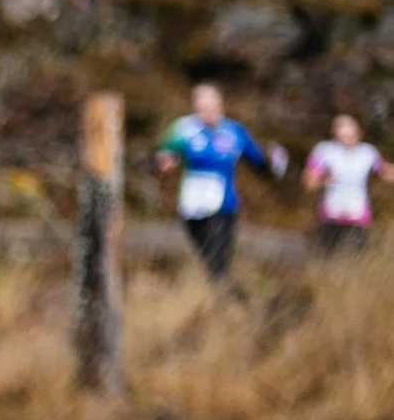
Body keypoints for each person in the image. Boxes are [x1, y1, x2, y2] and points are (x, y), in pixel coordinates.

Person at [154, 82, 288, 281]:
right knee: (208, 261)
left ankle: (233, 305)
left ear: (220, 104)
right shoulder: (184, 128)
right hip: (191, 206)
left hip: (222, 207)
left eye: (210, 104)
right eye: (200, 104)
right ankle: (233, 301)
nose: (206, 110)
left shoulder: (234, 131)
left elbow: (259, 163)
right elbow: (163, 153)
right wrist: (165, 160)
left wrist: (275, 164)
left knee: (218, 264)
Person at [304, 113, 382, 255]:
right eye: (339, 127)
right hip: (330, 215)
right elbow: (309, 183)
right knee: (326, 256)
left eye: (348, 127)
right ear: (333, 132)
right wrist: (323, 178)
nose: (345, 132)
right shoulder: (324, 151)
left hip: (357, 216)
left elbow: (384, 171)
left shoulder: (368, 153)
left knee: (355, 258)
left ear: (358, 132)